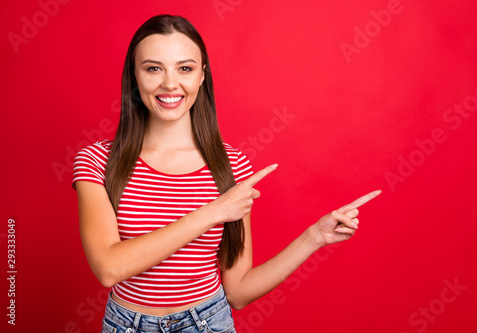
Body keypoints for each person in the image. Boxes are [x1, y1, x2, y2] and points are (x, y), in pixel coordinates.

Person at [72, 14, 381, 333]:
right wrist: (213, 212)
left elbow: (239, 291)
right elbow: (109, 267)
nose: (169, 83)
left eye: (185, 68)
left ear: (202, 75)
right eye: (153, 68)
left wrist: (314, 237)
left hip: (207, 323)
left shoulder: (231, 166)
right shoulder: (97, 161)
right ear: (134, 76)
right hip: (127, 325)